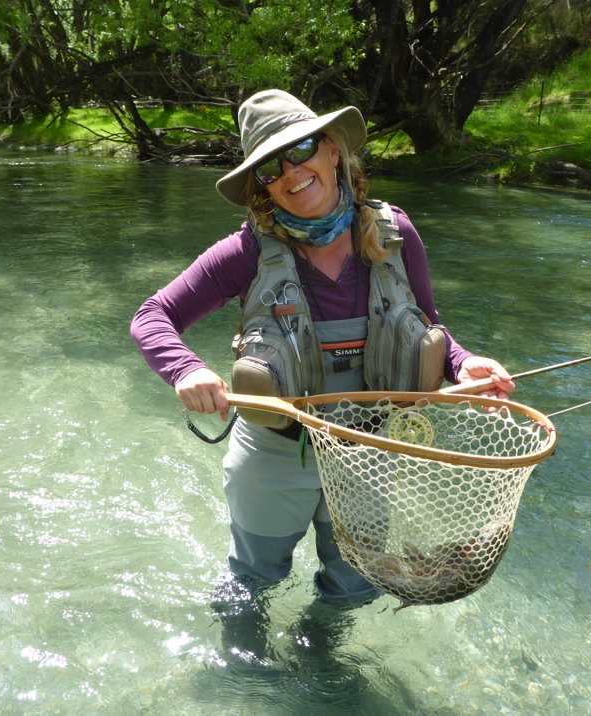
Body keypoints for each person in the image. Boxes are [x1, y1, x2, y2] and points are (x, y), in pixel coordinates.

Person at [131, 89, 515, 608]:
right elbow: (152, 316)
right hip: (273, 456)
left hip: (371, 453)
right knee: (252, 583)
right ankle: (248, 683)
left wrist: (464, 364)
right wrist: (185, 371)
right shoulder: (245, 251)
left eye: (301, 149)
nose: (290, 172)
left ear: (333, 149)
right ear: (260, 186)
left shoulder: (395, 233)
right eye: (269, 168)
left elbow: (425, 325)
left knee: (352, 589)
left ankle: (327, 678)